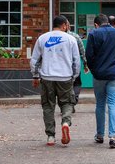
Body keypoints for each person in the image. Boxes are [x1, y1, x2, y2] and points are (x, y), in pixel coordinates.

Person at [31, 16, 80, 146]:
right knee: (67, 103)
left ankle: (51, 137)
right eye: (67, 25)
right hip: (65, 77)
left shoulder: (42, 38)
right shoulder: (71, 39)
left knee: (48, 105)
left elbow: (35, 60)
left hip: (47, 77)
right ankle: (65, 122)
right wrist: (74, 77)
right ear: (64, 25)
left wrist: (35, 76)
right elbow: (76, 61)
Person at [86, 13, 115, 149]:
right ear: (108, 22)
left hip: (99, 75)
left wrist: (94, 70)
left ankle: (100, 135)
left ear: (96, 24)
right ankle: (113, 137)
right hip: (114, 75)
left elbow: (89, 56)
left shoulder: (94, 34)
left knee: (100, 105)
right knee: (113, 105)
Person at [60, 19, 88, 111]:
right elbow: (82, 51)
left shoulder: (56, 37)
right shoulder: (75, 36)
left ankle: (66, 105)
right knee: (76, 83)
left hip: (61, 66)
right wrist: (85, 64)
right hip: (74, 65)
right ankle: (73, 100)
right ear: (68, 26)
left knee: (64, 86)